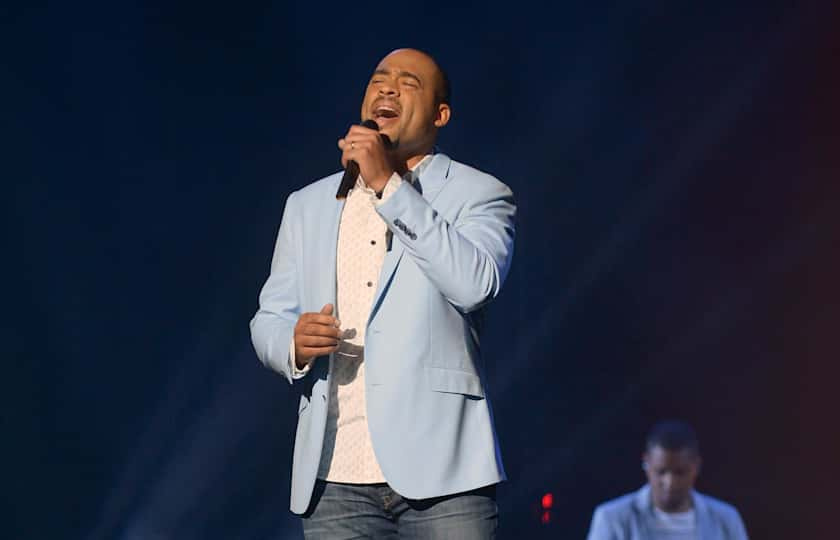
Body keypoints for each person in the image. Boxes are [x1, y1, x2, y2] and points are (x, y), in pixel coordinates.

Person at [250, 48, 515, 539]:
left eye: (408, 83)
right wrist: (292, 343)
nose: (388, 88)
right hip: (334, 476)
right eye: (378, 80)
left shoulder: (479, 193)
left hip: (444, 473)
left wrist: (387, 186)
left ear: (440, 115)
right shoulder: (308, 204)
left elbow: (475, 284)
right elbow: (268, 318)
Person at [586, 420, 749, 540]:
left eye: (680, 472)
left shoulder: (726, 519)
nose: (670, 482)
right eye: (661, 472)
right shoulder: (612, 518)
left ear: (696, 466)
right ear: (646, 463)